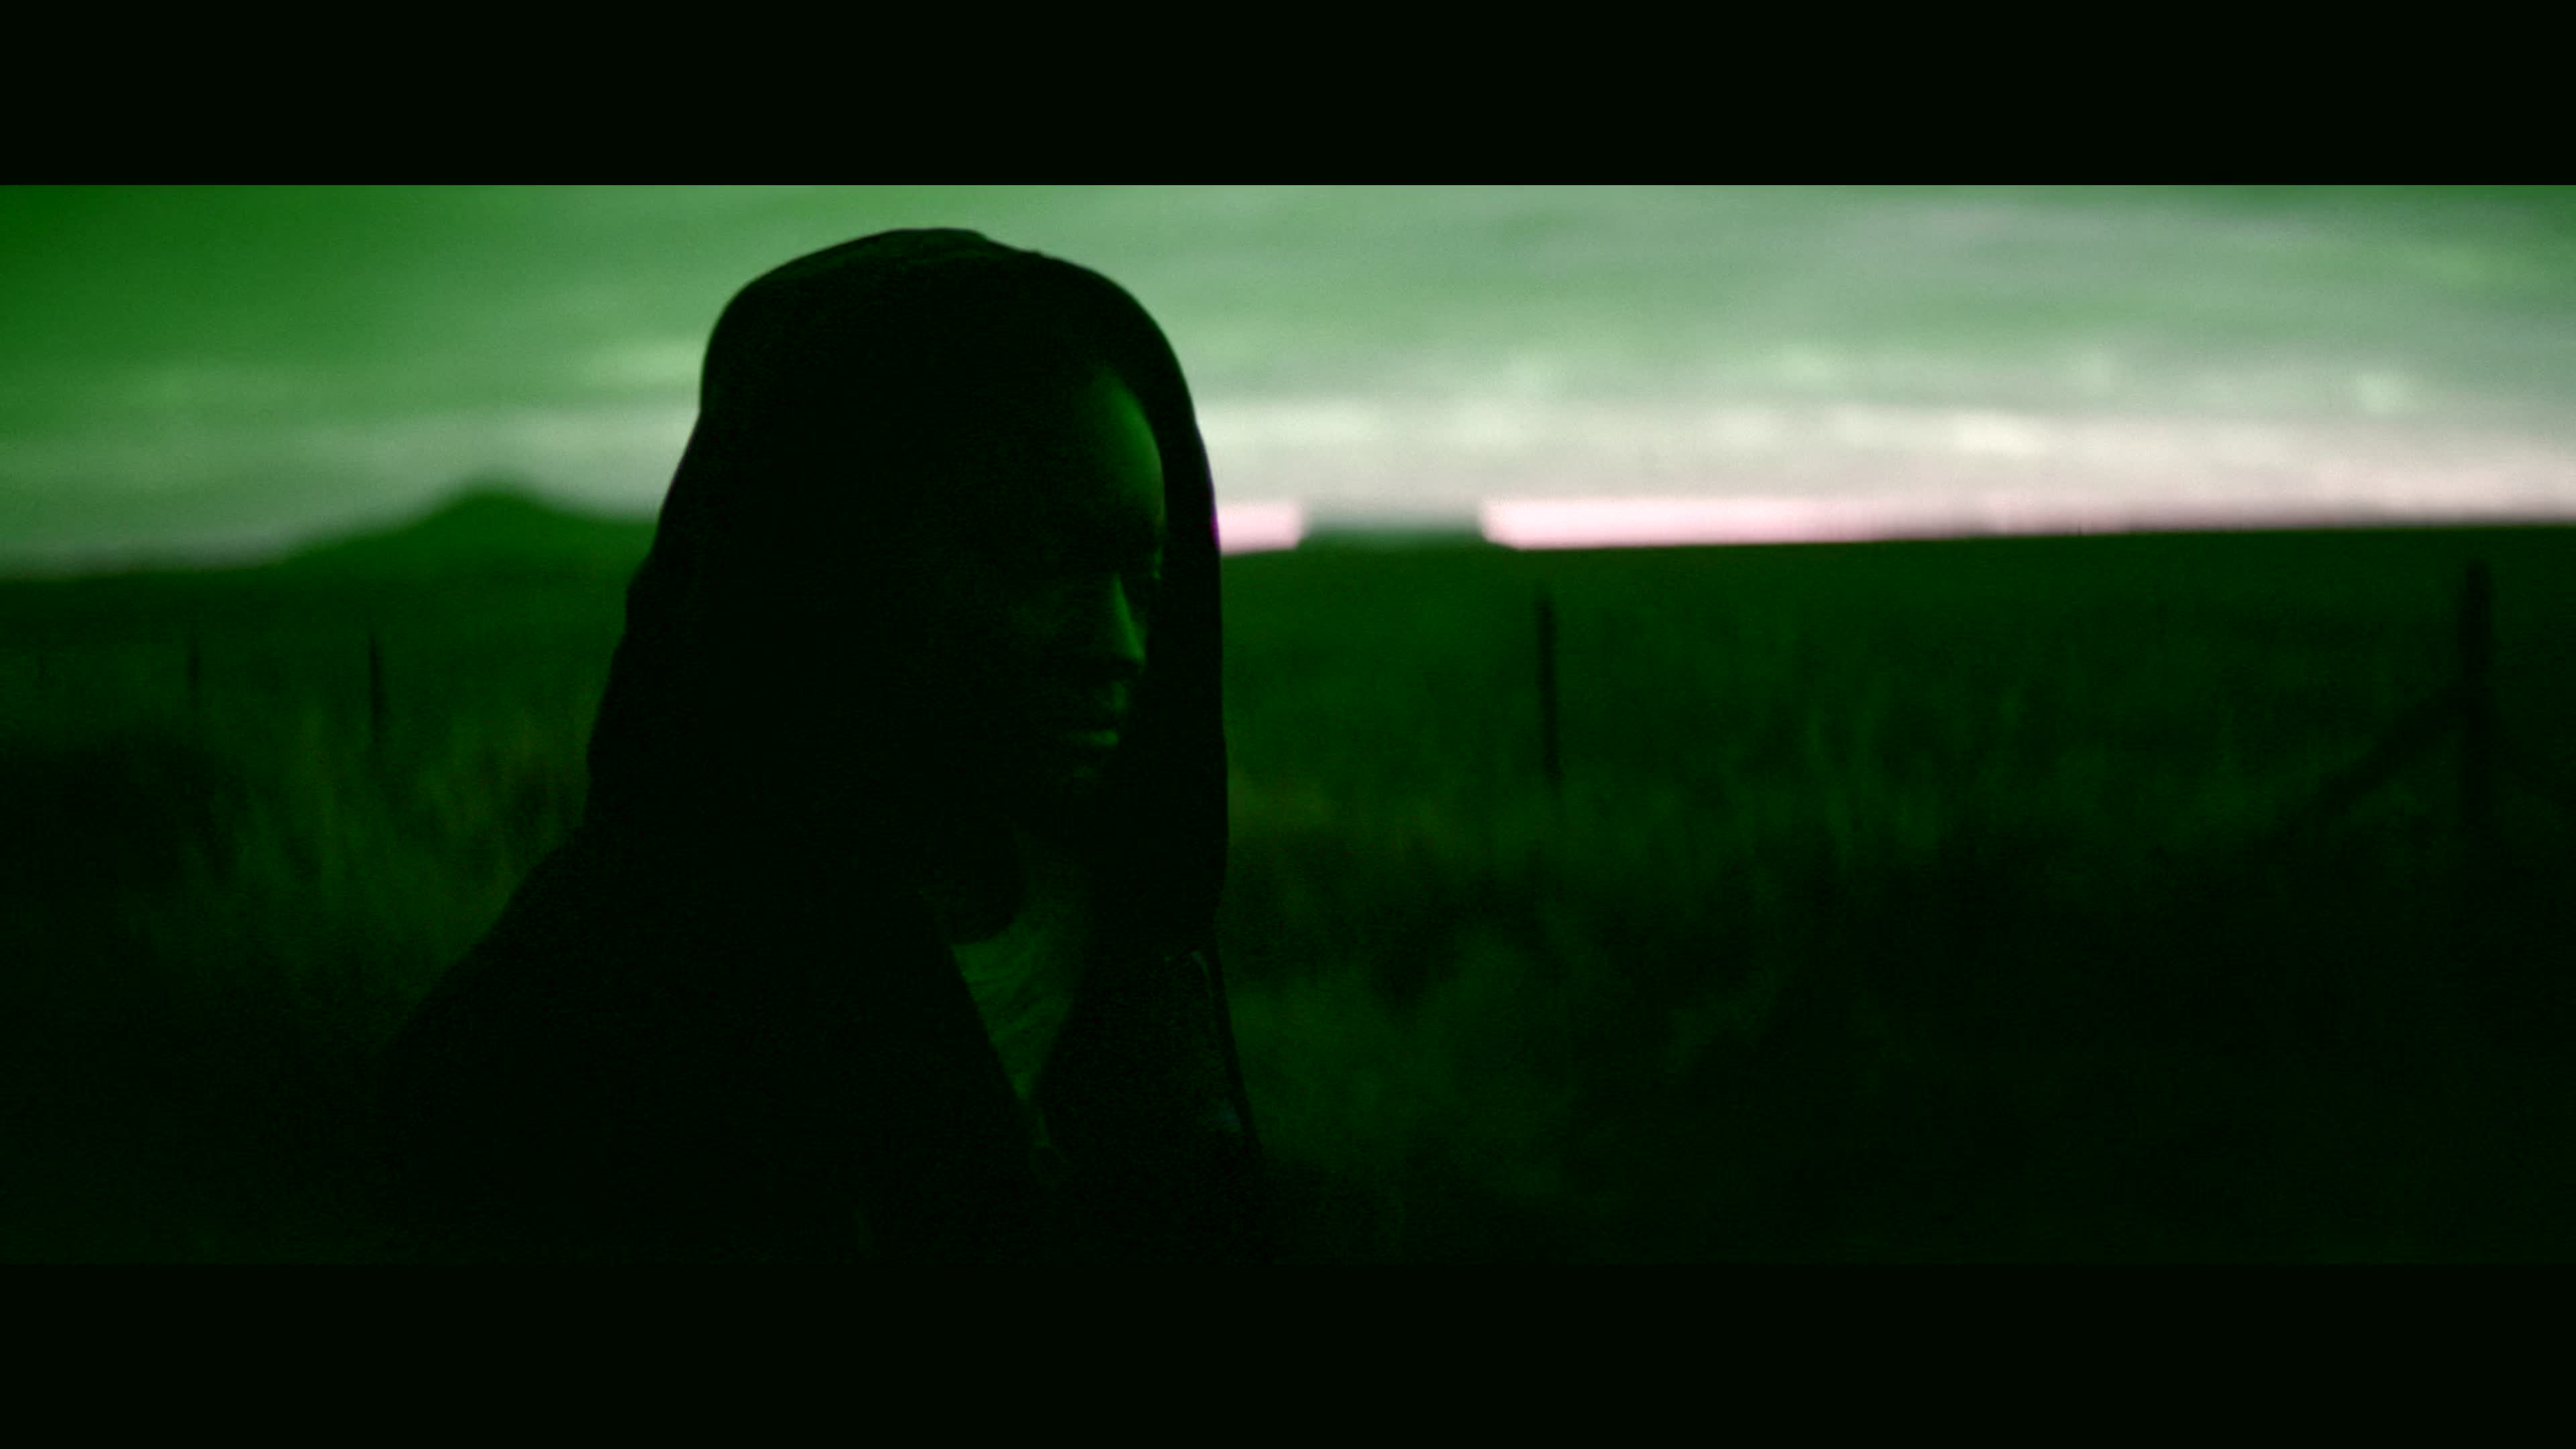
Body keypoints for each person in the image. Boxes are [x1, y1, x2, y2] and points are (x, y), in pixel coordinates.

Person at [378, 228, 1277, 1263]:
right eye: (1040, 562)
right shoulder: (591, 1012)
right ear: (830, 562)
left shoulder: (1136, 933)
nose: (1121, 648)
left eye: (1148, 582)